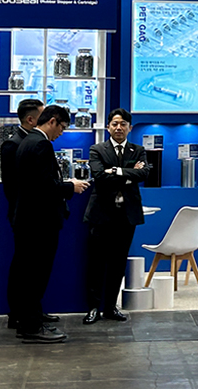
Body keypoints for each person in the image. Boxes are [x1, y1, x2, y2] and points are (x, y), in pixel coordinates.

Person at [12, 105, 89, 343]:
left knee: (28, 274)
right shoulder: (41, 145)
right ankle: (32, 327)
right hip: (39, 222)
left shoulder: (28, 141)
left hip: (29, 220)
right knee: (35, 275)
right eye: (62, 128)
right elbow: (44, 187)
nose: (61, 133)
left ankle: (30, 319)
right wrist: (71, 187)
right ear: (53, 121)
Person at [82, 108, 149, 325]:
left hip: (126, 216)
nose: (118, 128)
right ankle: (93, 307)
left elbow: (144, 173)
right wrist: (129, 175)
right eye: (115, 124)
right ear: (108, 127)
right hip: (101, 214)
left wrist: (117, 172)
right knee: (96, 263)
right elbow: (100, 177)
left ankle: (111, 306)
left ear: (130, 127)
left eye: (123, 124)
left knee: (118, 263)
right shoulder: (97, 149)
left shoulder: (138, 150)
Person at [0, 98, 52, 330]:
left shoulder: (37, 141)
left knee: (34, 268)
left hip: (34, 215)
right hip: (25, 215)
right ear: (31, 119)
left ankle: (33, 310)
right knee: (24, 267)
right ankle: (18, 314)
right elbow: (12, 186)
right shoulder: (13, 145)